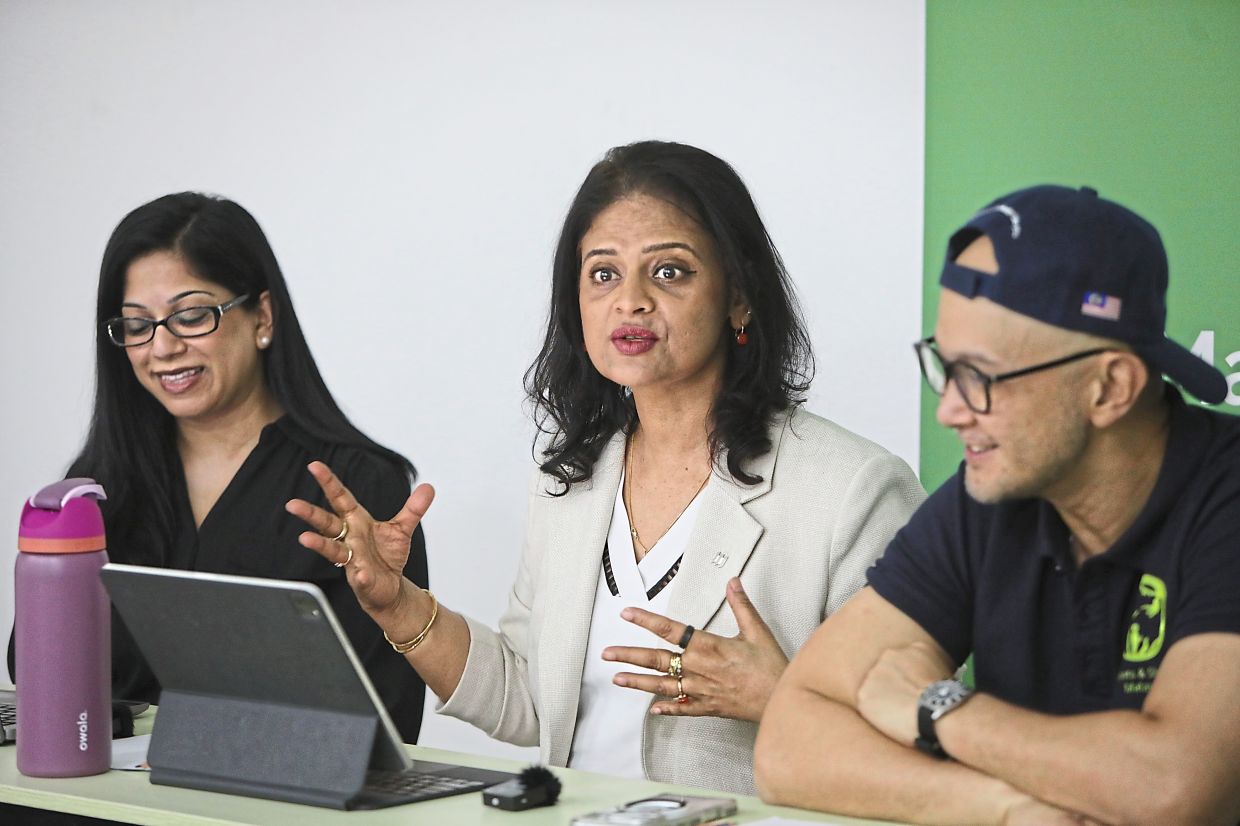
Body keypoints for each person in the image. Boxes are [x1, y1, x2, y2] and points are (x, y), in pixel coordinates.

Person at [288, 141, 925, 794]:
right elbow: (530, 701)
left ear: (739, 297)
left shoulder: (855, 490)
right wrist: (400, 608)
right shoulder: (569, 480)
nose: (631, 301)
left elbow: (916, 743)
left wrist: (784, 697)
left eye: (670, 271)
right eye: (603, 274)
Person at [755, 185, 1240, 824]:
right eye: (944, 366)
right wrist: (1005, 809)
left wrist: (940, 709)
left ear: (1110, 387)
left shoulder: (1225, 495)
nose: (949, 410)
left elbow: (1172, 787)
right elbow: (789, 745)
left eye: (980, 377)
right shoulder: (992, 493)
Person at [6, 193, 429, 743]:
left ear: (263, 317)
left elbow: (387, 721)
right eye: (137, 326)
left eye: (190, 315)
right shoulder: (98, 486)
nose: (162, 347)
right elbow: (36, 672)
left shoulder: (358, 485)